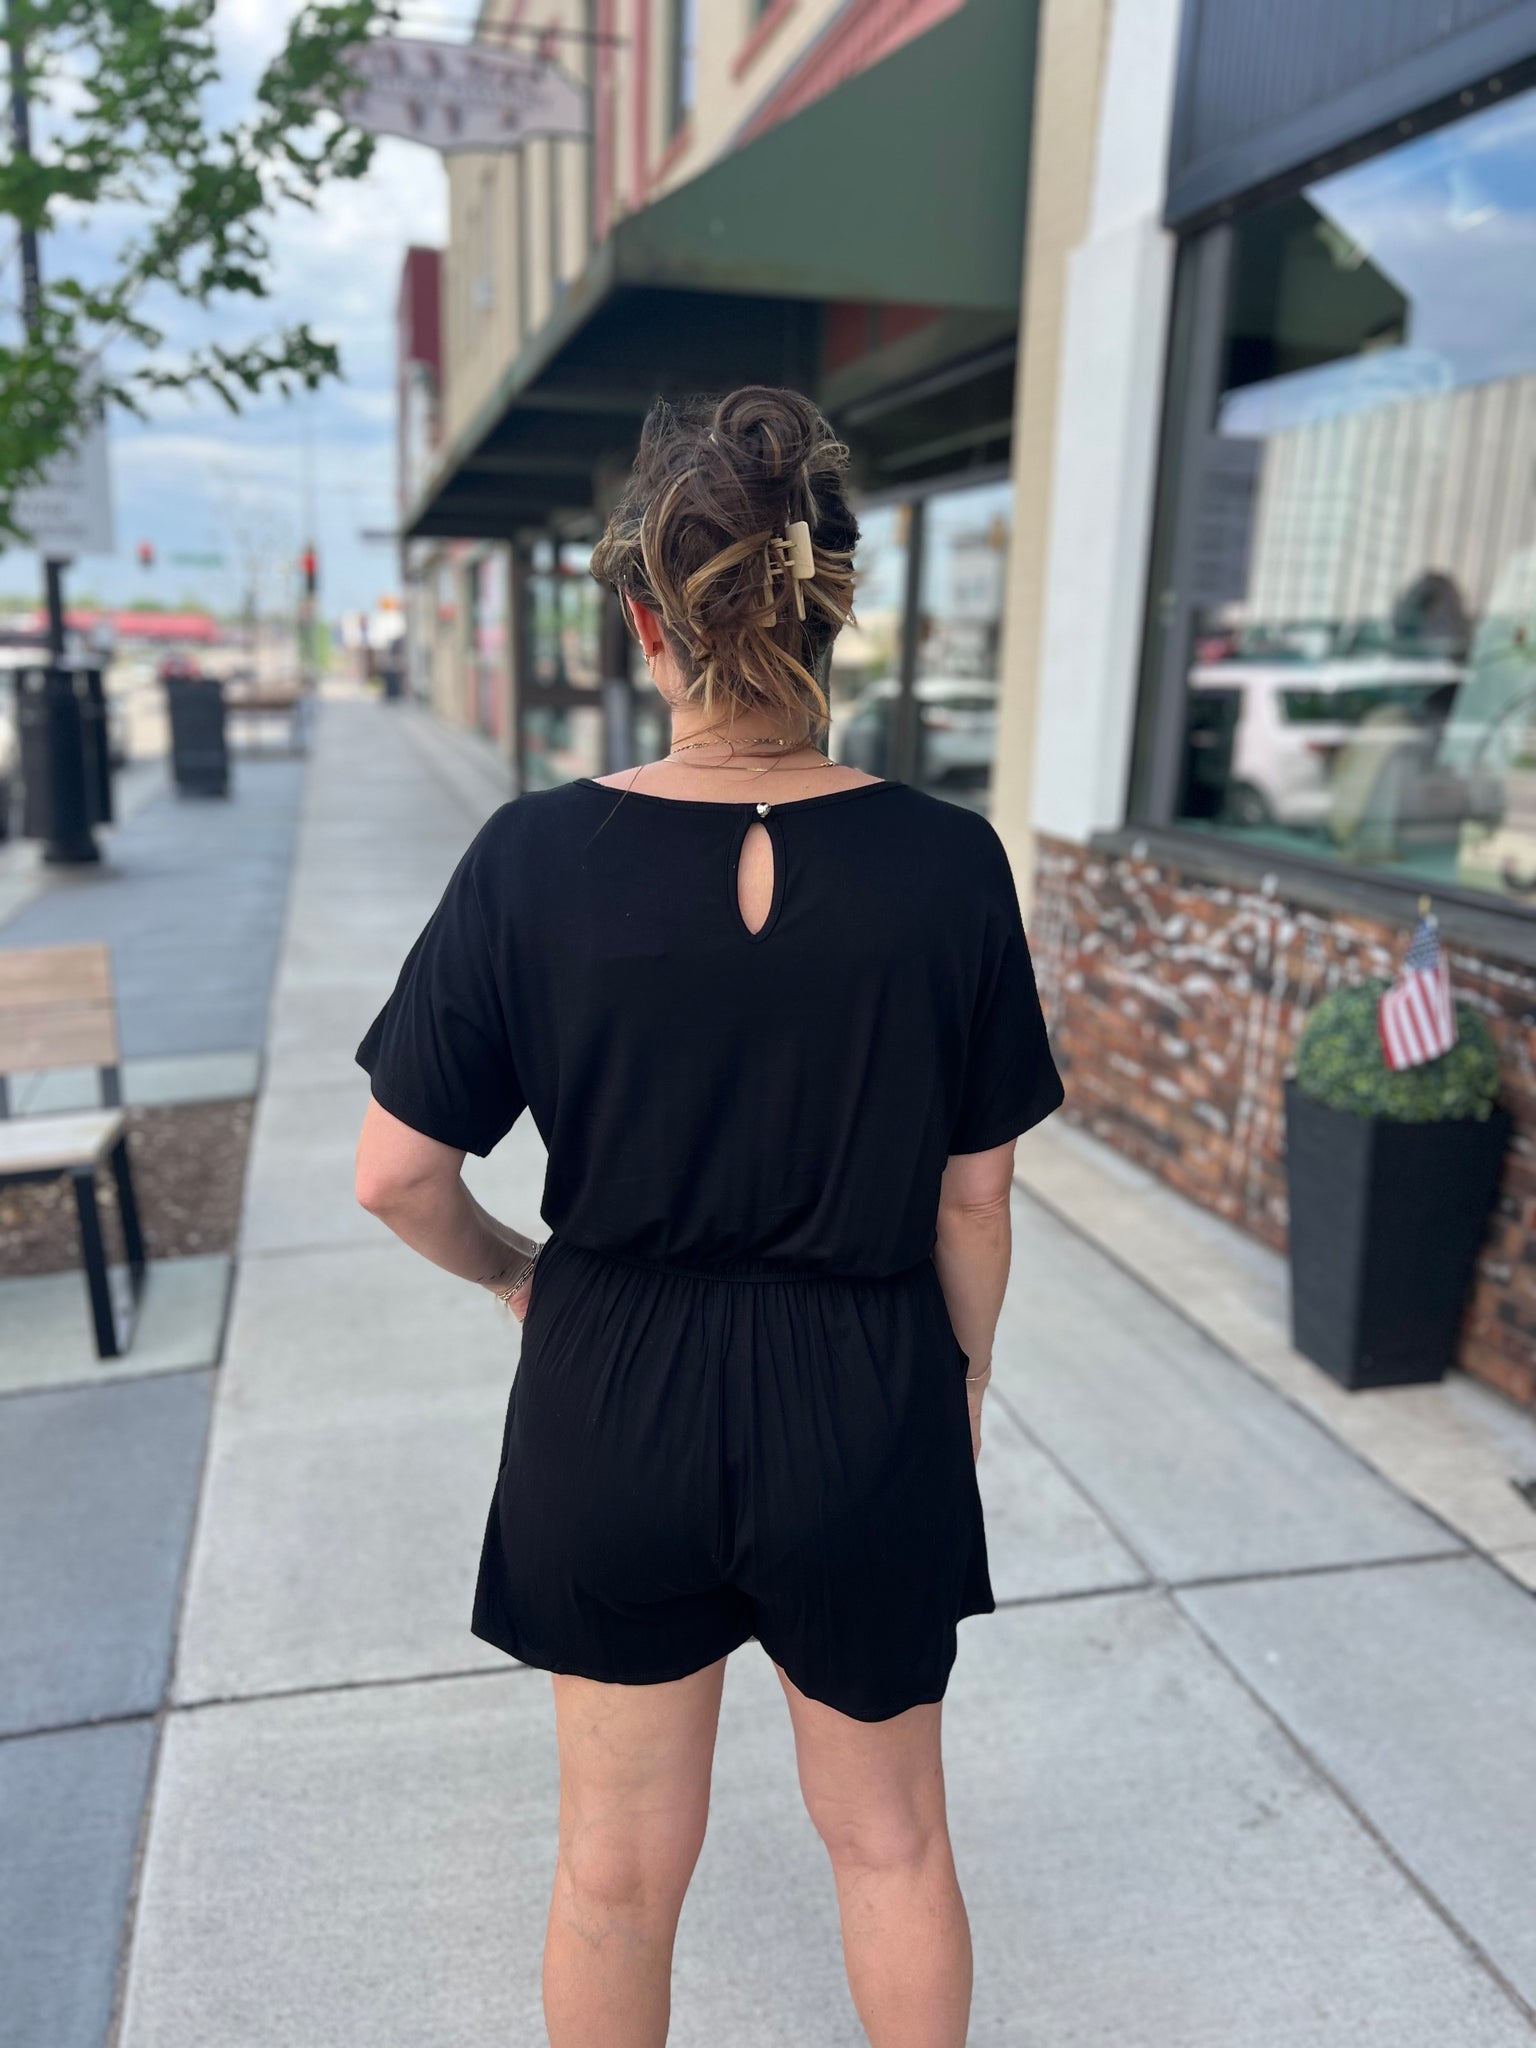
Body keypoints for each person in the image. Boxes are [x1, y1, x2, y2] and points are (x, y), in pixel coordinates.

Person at [353, 386, 1065, 2048]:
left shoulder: (532, 859)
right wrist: (956, 1381)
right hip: (863, 1386)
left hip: (612, 1388)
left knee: (612, 1875)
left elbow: (394, 1174)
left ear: (644, 622)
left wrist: (523, 1277)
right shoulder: (950, 864)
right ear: (833, 608)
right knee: (892, 1846)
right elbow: (976, 1198)